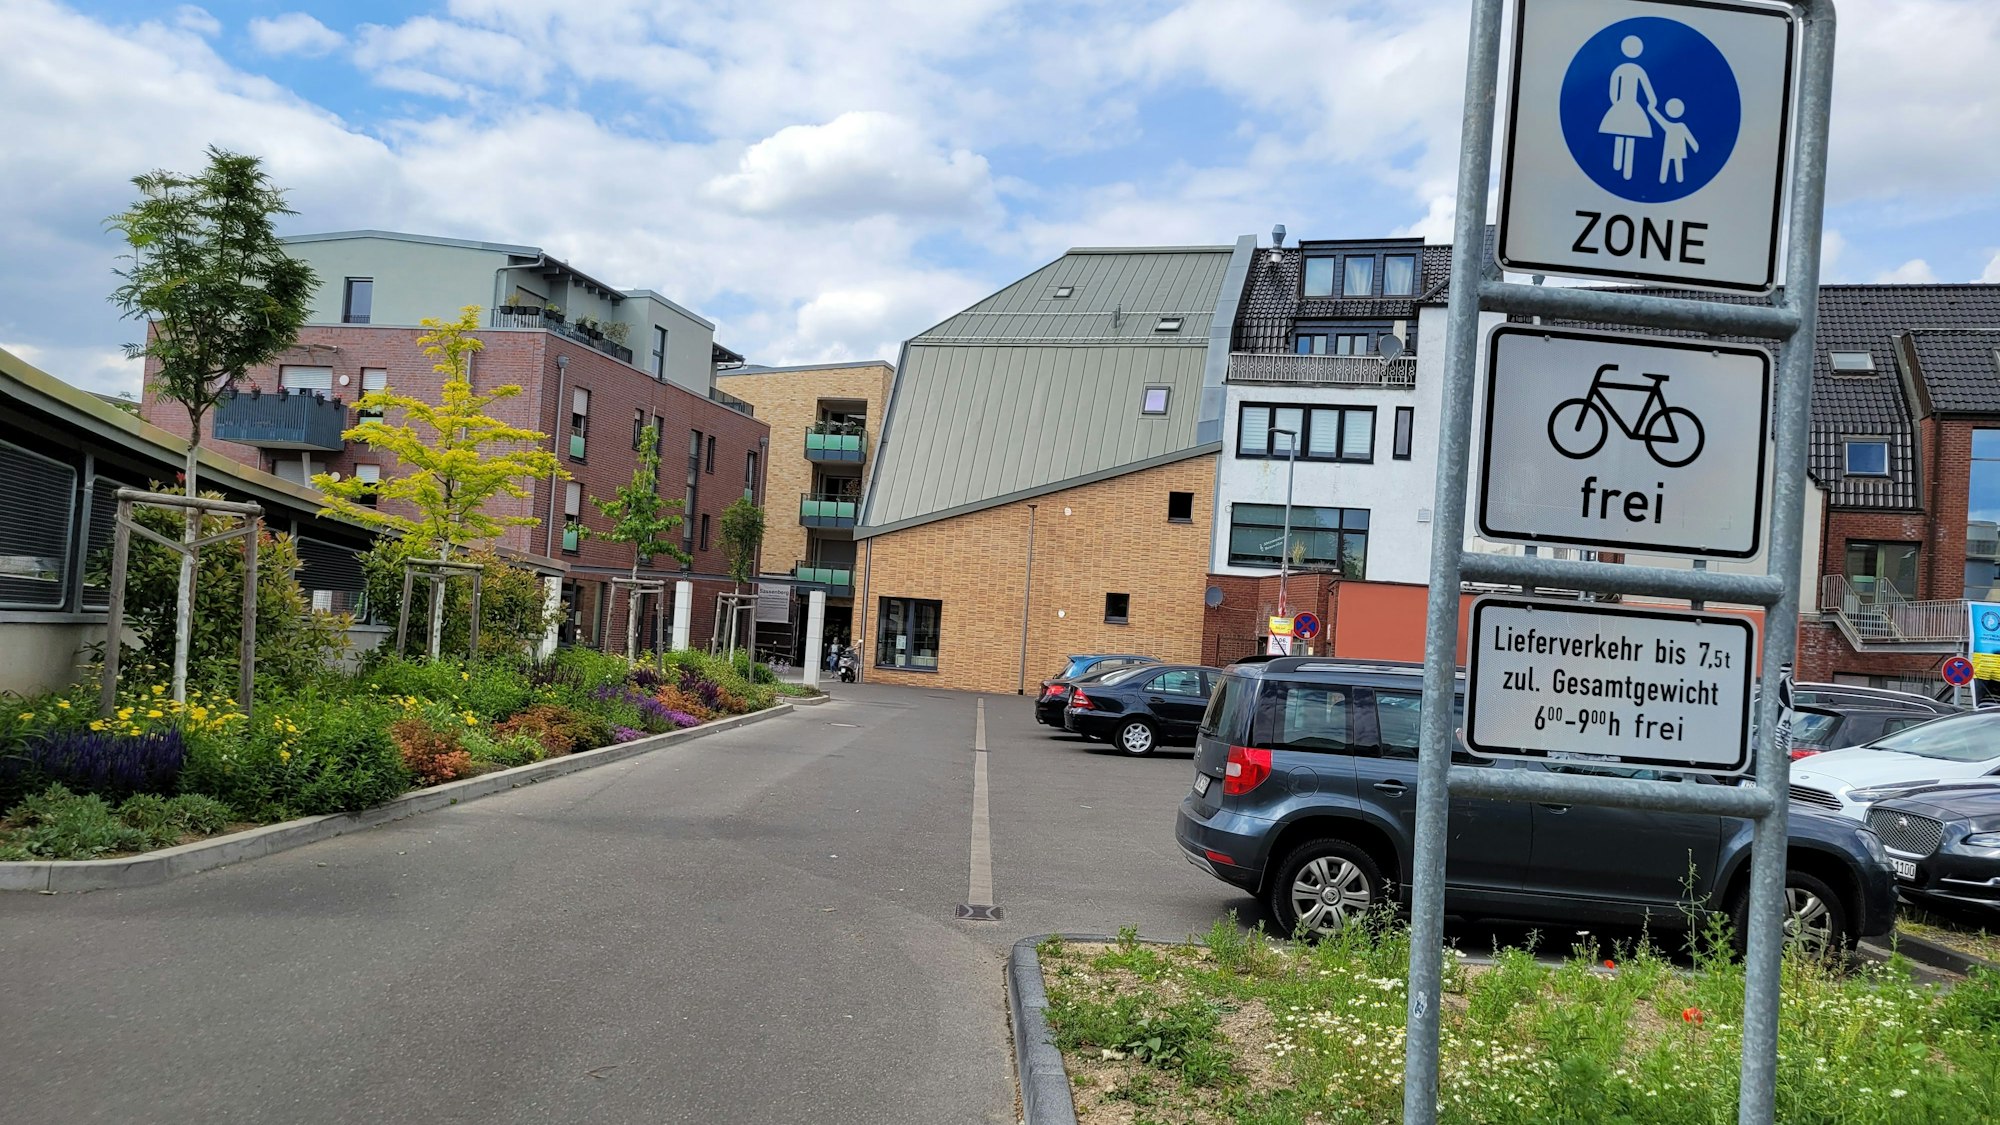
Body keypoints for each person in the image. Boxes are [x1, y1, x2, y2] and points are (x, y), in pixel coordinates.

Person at [1599, 34, 1660, 181]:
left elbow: (1613, 91)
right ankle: (1623, 170)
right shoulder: (1637, 70)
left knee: (1622, 133)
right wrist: (1652, 102)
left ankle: (1619, 167)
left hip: (1622, 105)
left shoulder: (1621, 69)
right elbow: (1648, 90)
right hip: (1631, 106)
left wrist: (1616, 104)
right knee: (1630, 134)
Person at [1651, 97, 1698, 184]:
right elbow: (1660, 120)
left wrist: (1695, 146)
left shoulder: (1677, 126)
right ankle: (1664, 180)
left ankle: (1672, 179)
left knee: (1675, 163)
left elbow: (1688, 137)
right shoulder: (1676, 126)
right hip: (1671, 149)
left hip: (1676, 149)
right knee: (1670, 163)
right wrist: (1652, 111)